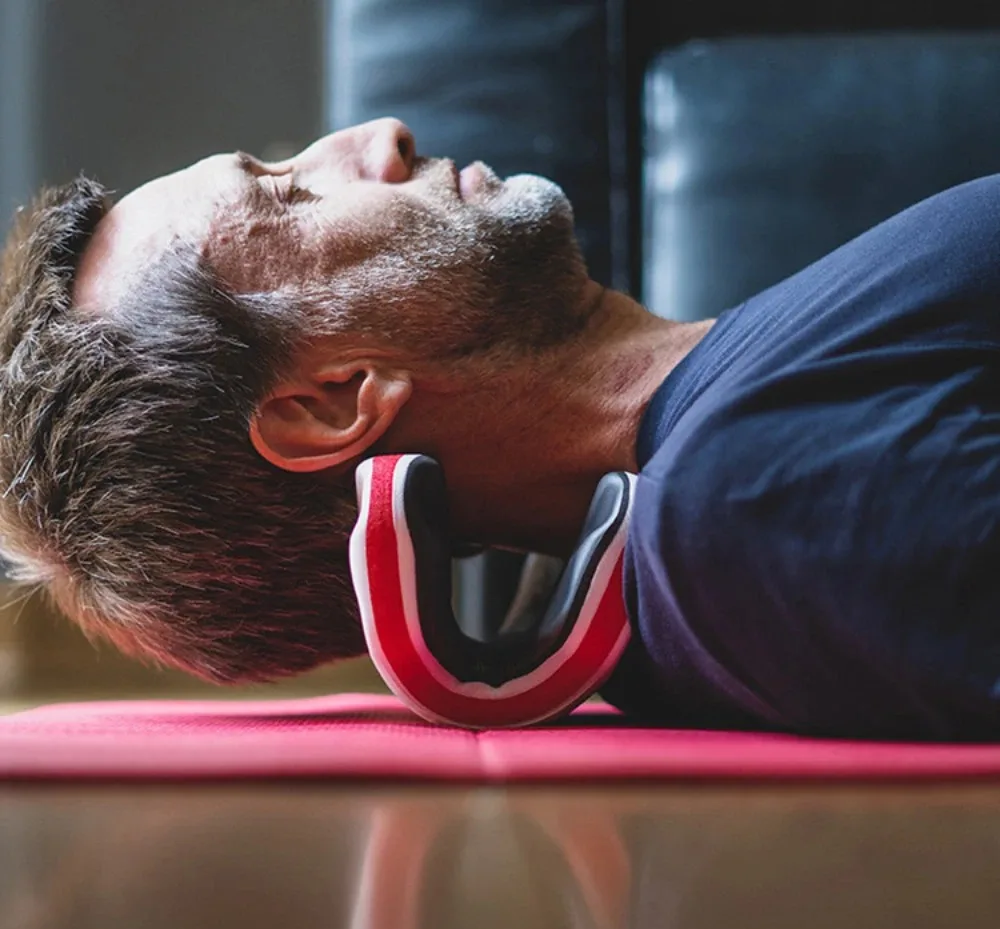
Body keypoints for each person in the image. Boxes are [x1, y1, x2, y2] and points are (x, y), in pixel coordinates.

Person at [1, 117, 998, 740]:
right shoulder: (753, 497)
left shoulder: (730, 455)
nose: (378, 135)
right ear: (329, 403)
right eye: (288, 190)